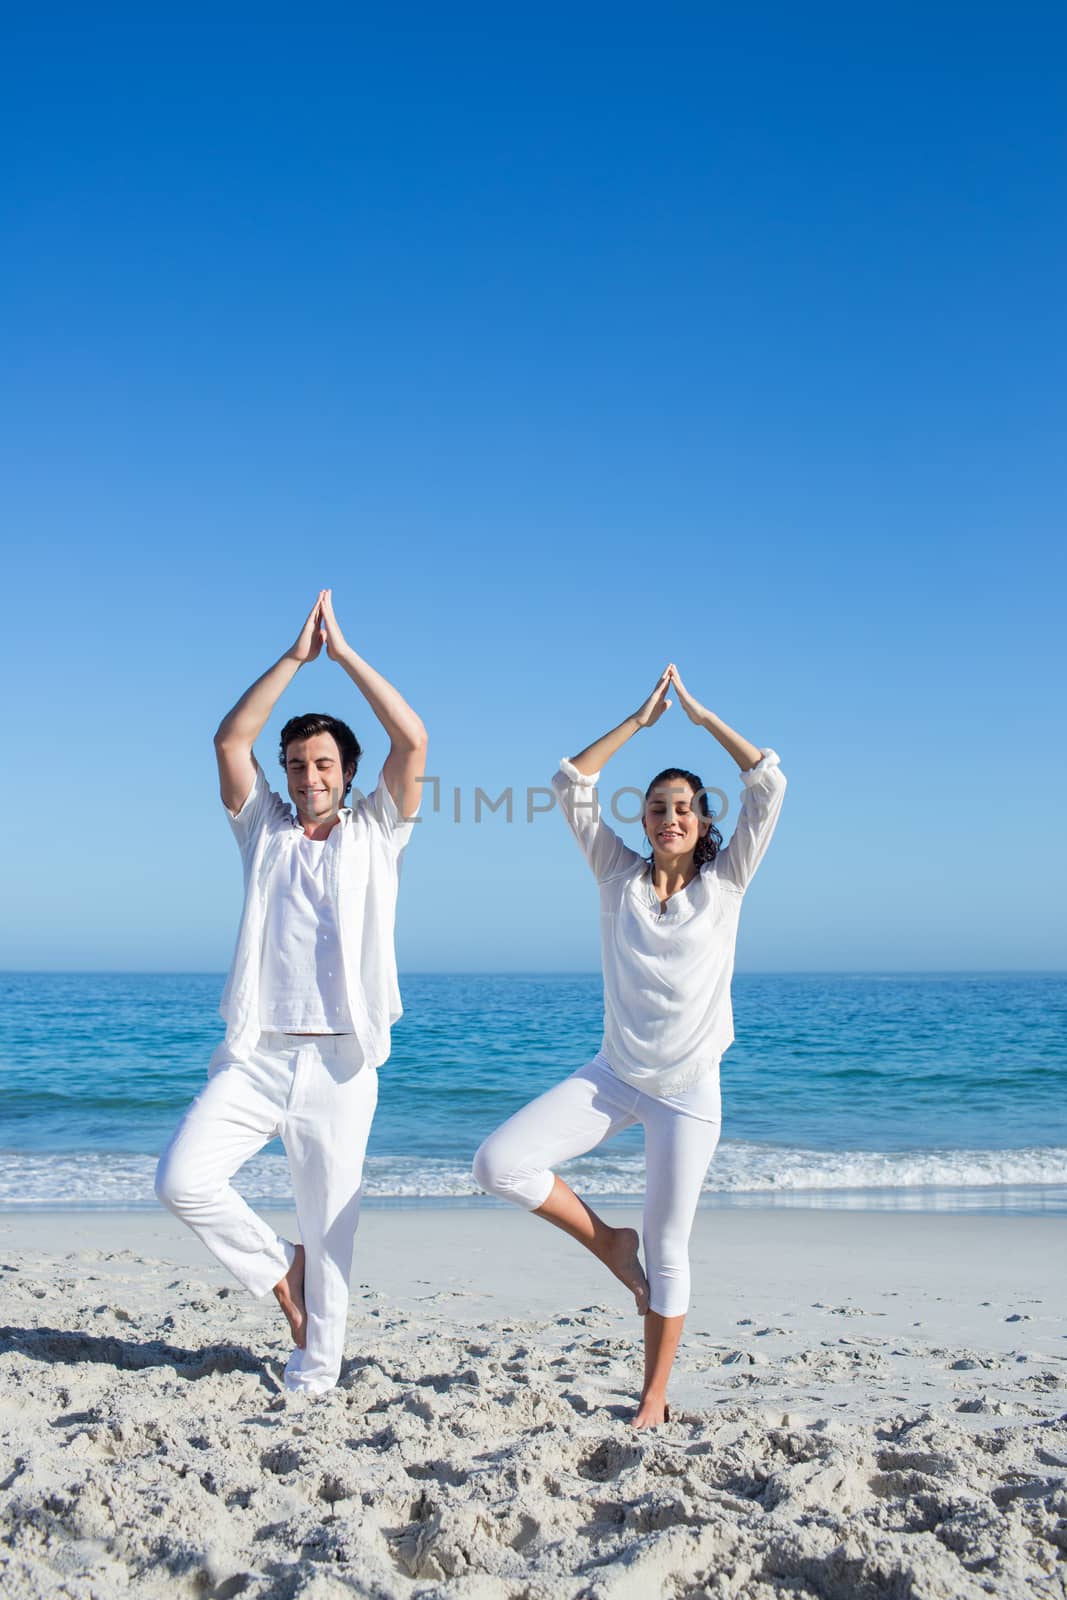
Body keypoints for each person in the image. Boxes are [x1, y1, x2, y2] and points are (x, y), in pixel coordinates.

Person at [473, 664, 785, 1426]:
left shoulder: (728, 883)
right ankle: (610, 1244)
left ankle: (652, 1399)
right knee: (497, 1163)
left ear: (704, 823)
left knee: (671, 1247)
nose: (669, 817)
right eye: (656, 808)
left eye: (683, 808)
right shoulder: (616, 875)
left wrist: (704, 718)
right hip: (614, 1075)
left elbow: (769, 786)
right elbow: (569, 781)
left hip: (687, 1091)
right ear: (642, 821)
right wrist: (640, 723)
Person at [156, 589, 426, 1394]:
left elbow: (411, 739)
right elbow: (227, 737)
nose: (309, 776)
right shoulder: (262, 829)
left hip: (342, 1063)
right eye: (298, 764)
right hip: (258, 1054)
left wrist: (342, 656)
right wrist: (294, 659)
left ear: (346, 774)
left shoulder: (380, 831)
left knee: (332, 1224)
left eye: (324, 765)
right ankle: (281, 1272)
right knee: (182, 1180)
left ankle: (315, 1373)